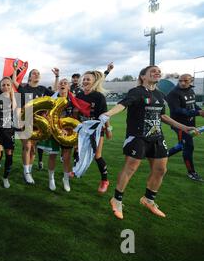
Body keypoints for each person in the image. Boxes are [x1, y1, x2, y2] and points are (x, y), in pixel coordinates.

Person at [101, 66, 198, 219]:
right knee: (130, 168)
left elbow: (163, 116)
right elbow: (123, 104)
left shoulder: (160, 94)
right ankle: (116, 200)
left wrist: (184, 127)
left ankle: (148, 200)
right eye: (152, 71)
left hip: (157, 137)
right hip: (137, 136)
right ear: (143, 76)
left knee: (161, 170)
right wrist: (108, 113)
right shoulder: (137, 91)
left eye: (158, 71)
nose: (157, 73)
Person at [12, 67, 58, 185]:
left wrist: (57, 77)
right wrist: (16, 69)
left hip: (38, 122)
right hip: (25, 120)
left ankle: (29, 170)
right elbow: (14, 81)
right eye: (34, 73)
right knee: (27, 146)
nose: (36, 75)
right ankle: (26, 172)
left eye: (38, 73)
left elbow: (56, 94)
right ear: (30, 76)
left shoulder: (42, 89)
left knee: (33, 148)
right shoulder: (24, 88)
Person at [75, 70, 112, 193]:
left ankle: (104, 180)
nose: (85, 81)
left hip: (96, 130)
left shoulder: (99, 96)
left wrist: (108, 129)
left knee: (97, 156)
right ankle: (76, 171)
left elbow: (104, 115)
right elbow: (76, 113)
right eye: (84, 79)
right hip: (83, 129)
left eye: (88, 79)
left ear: (94, 82)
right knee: (79, 151)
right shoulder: (79, 95)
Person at [166, 74, 204, 181]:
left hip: (190, 124)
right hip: (179, 126)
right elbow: (177, 110)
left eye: (185, 81)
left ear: (191, 81)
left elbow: (192, 105)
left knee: (182, 145)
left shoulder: (191, 91)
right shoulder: (173, 93)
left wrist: (200, 111)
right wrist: (198, 112)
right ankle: (191, 173)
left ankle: (163, 156)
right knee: (188, 147)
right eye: (180, 80)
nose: (182, 83)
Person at [0, 77, 19, 188]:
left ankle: (6, 177)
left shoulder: (14, 97)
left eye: (8, 85)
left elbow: (15, 110)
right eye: (3, 85)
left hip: (9, 130)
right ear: (0, 86)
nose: (6, 87)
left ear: (11, 86)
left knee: (9, 154)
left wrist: (12, 94)